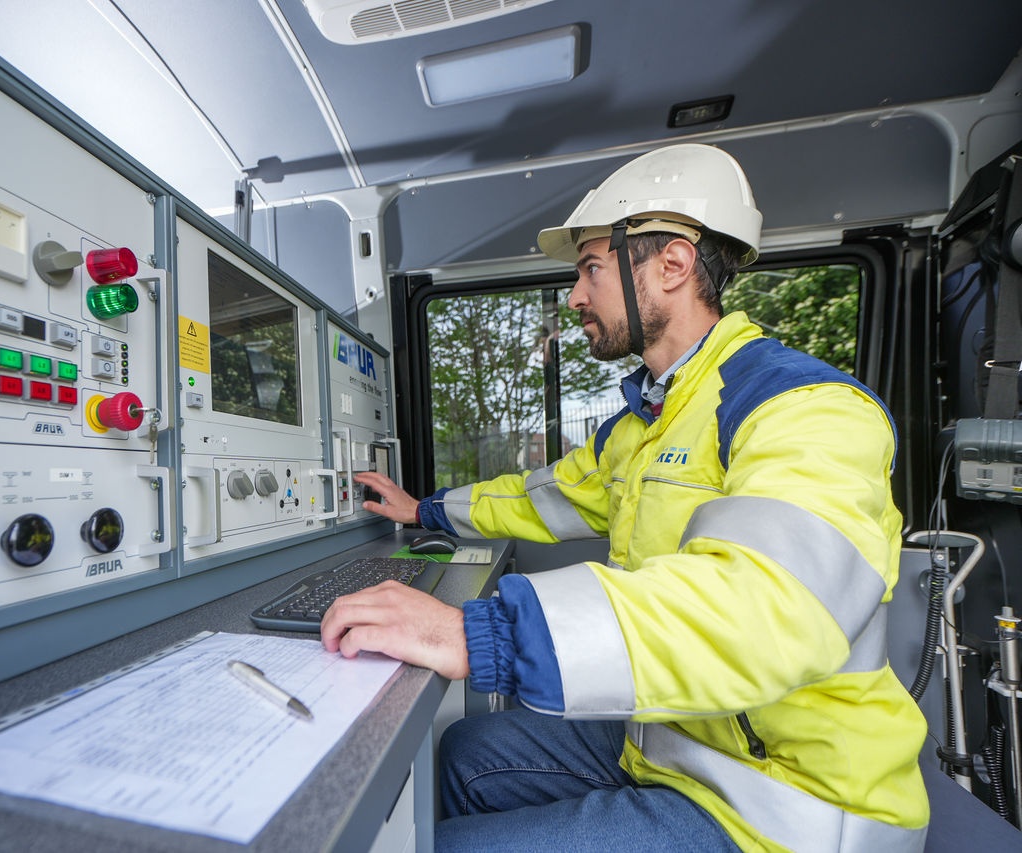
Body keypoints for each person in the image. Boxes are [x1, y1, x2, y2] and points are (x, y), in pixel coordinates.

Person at [320, 143, 929, 852]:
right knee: (465, 753)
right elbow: (536, 497)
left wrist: (482, 634)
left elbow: (766, 608)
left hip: (786, 802)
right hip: (679, 737)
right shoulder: (647, 421)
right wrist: (421, 509)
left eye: (591, 268)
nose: (575, 295)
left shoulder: (804, 405)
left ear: (672, 265)